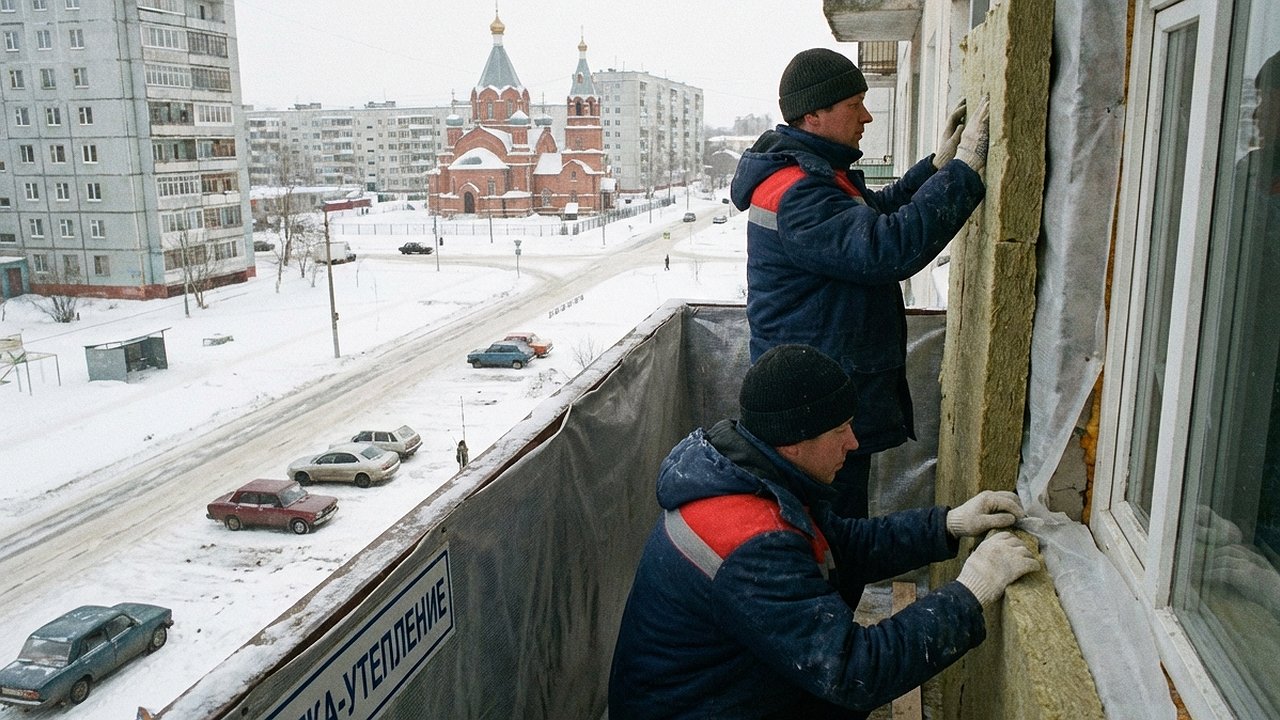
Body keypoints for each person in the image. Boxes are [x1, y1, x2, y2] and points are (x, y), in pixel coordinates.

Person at [608, 344, 1038, 719]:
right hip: (694, 709)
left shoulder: (750, 478)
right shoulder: (749, 543)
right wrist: (970, 592)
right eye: (839, 430)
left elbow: (841, 546)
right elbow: (854, 670)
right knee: (841, 687)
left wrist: (946, 524)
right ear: (794, 442)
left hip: (715, 691)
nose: (853, 442)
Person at [730, 48, 991, 519]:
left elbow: (870, 214)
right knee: (834, 543)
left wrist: (935, 169)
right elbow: (885, 248)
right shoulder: (800, 192)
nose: (867, 116)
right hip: (813, 410)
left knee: (834, 534)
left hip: (819, 390)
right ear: (814, 114)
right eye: (855, 105)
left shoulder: (812, 173)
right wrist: (965, 172)